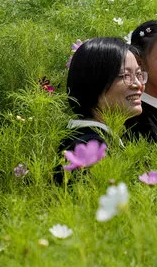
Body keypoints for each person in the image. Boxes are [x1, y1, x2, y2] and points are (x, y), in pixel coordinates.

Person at [55, 37, 146, 182]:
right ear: (95, 82)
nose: (138, 85)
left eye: (139, 75)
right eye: (126, 75)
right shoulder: (88, 147)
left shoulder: (99, 138)